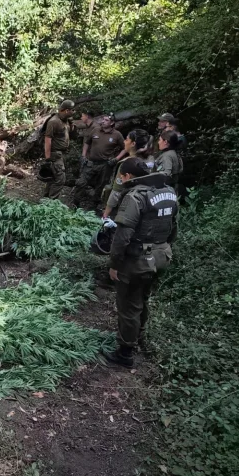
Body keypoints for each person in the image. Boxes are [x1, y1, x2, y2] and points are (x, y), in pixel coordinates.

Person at [104, 158, 178, 368]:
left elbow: (122, 237)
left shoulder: (136, 196)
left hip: (138, 260)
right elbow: (173, 226)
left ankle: (125, 352)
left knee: (129, 305)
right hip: (162, 255)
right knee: (143, 298)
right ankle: (139, 337)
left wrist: (114, 264)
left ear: (128, 176)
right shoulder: (169, 192)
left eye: (122, 176)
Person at [72, 115, 125, 210]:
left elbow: (125, 148)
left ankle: (93, 207)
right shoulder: (96, 130)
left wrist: (116, 159)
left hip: (105, 164)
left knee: (100, 186)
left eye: (106, 120)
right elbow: (87, 142)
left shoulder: (117, 134)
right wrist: (83, 155)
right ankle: (75, 204)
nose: (103, 121)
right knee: (81, 182)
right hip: (91, 162)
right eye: (103, 119)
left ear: (112, 123)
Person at [102, 129, 154, 219]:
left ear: (133, 144)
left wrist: (106, 214)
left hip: (125, 206)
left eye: (126, 139)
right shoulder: (150, 161)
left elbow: (116, 191)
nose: (124, 141)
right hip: (144, 205)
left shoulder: (127, 164)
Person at [42, 100, 75, 199]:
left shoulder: (66, 120)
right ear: (66, 110)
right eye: (72, 110)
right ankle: (52, 201)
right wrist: (48, 159)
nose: (74, 112)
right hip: (55, 154)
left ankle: (46, 199)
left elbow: (69, 133)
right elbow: (48, 140)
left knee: (53, 178)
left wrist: (72, 125)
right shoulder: (54, 121)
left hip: (62, 154)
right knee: (60, 179)